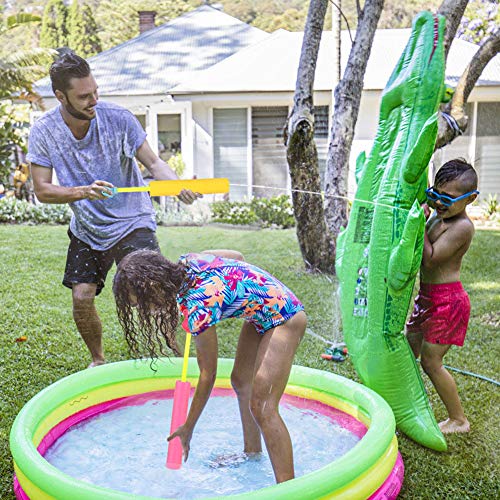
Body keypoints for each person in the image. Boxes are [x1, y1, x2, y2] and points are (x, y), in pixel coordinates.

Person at [26, 52, 200, 368]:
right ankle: (98, 361)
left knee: (151, 290)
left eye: (95, 92)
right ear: (60, 96)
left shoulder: (118, 118)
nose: (94, 100)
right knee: (81, 296)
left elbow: (155, 162)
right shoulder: (44, 131)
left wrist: (176, 186)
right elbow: (42, 189)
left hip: (133, 220)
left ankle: (173, 351)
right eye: (84, 96)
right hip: (88, 228)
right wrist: (82, 192)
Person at [112, 249, 307, 484]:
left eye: (143, 303)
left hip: (285, 316)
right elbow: (237, 257)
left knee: (263, 405)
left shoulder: (198, 305)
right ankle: (252, 454)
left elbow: (208, 374)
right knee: (241, 381)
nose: (147, 310)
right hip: (262, 313)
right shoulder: (189, 261)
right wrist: (250, 290)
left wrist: (188, 427)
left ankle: (288, 489)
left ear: (154, 285)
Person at [406, 158, 479, 434]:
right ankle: (407, 403)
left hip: (448, 303)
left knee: (430, 361)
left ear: (469, 199)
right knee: (407, 349)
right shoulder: (440, 215)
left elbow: (431, 259)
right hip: (427, 299)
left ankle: (459, 419)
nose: (438, 203)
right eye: (434, 195)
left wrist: (416, 225)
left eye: (446, 198)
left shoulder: (462, 227)